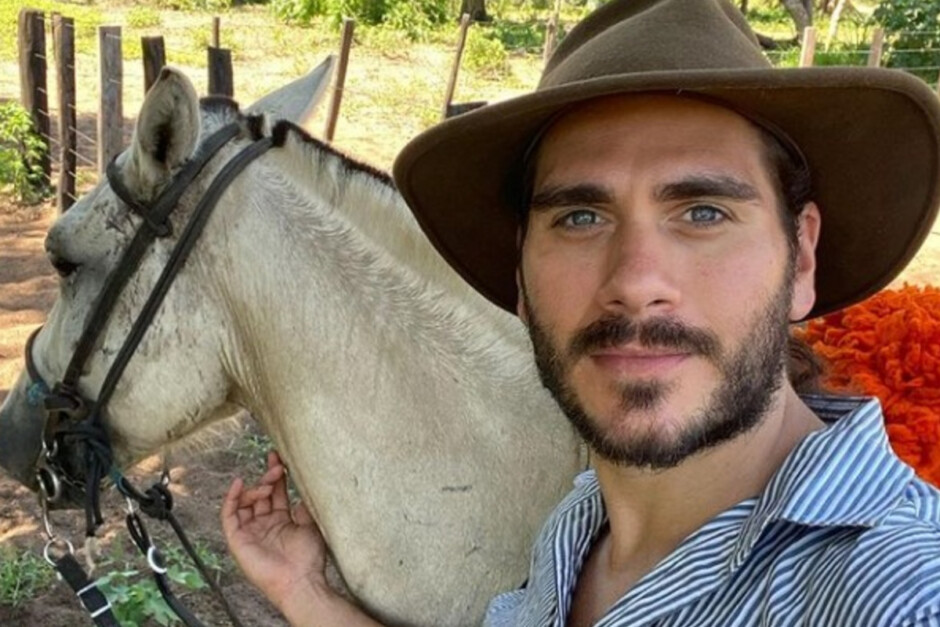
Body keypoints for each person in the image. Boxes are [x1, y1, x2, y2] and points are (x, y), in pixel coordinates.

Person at [221, 0, 940, 624]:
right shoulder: (584, 517)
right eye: (580, 218)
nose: (635, 282)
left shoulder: (898, 592)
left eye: (702, 210)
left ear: (802, 257)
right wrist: (307, 591)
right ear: (522, 279)